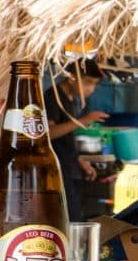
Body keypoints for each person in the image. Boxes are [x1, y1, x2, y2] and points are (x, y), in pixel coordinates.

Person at [44, 59, 109, 221]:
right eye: (87, 83)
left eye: (94, 84)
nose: (90, 89)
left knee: (75, 217)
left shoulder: (72, 99)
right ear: (72, 77)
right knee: (68, 219)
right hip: (56, 170)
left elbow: (66, 140)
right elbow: (48, 134)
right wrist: (83, 120)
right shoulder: (54, 96)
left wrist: (79, 160)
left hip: (69, 167)